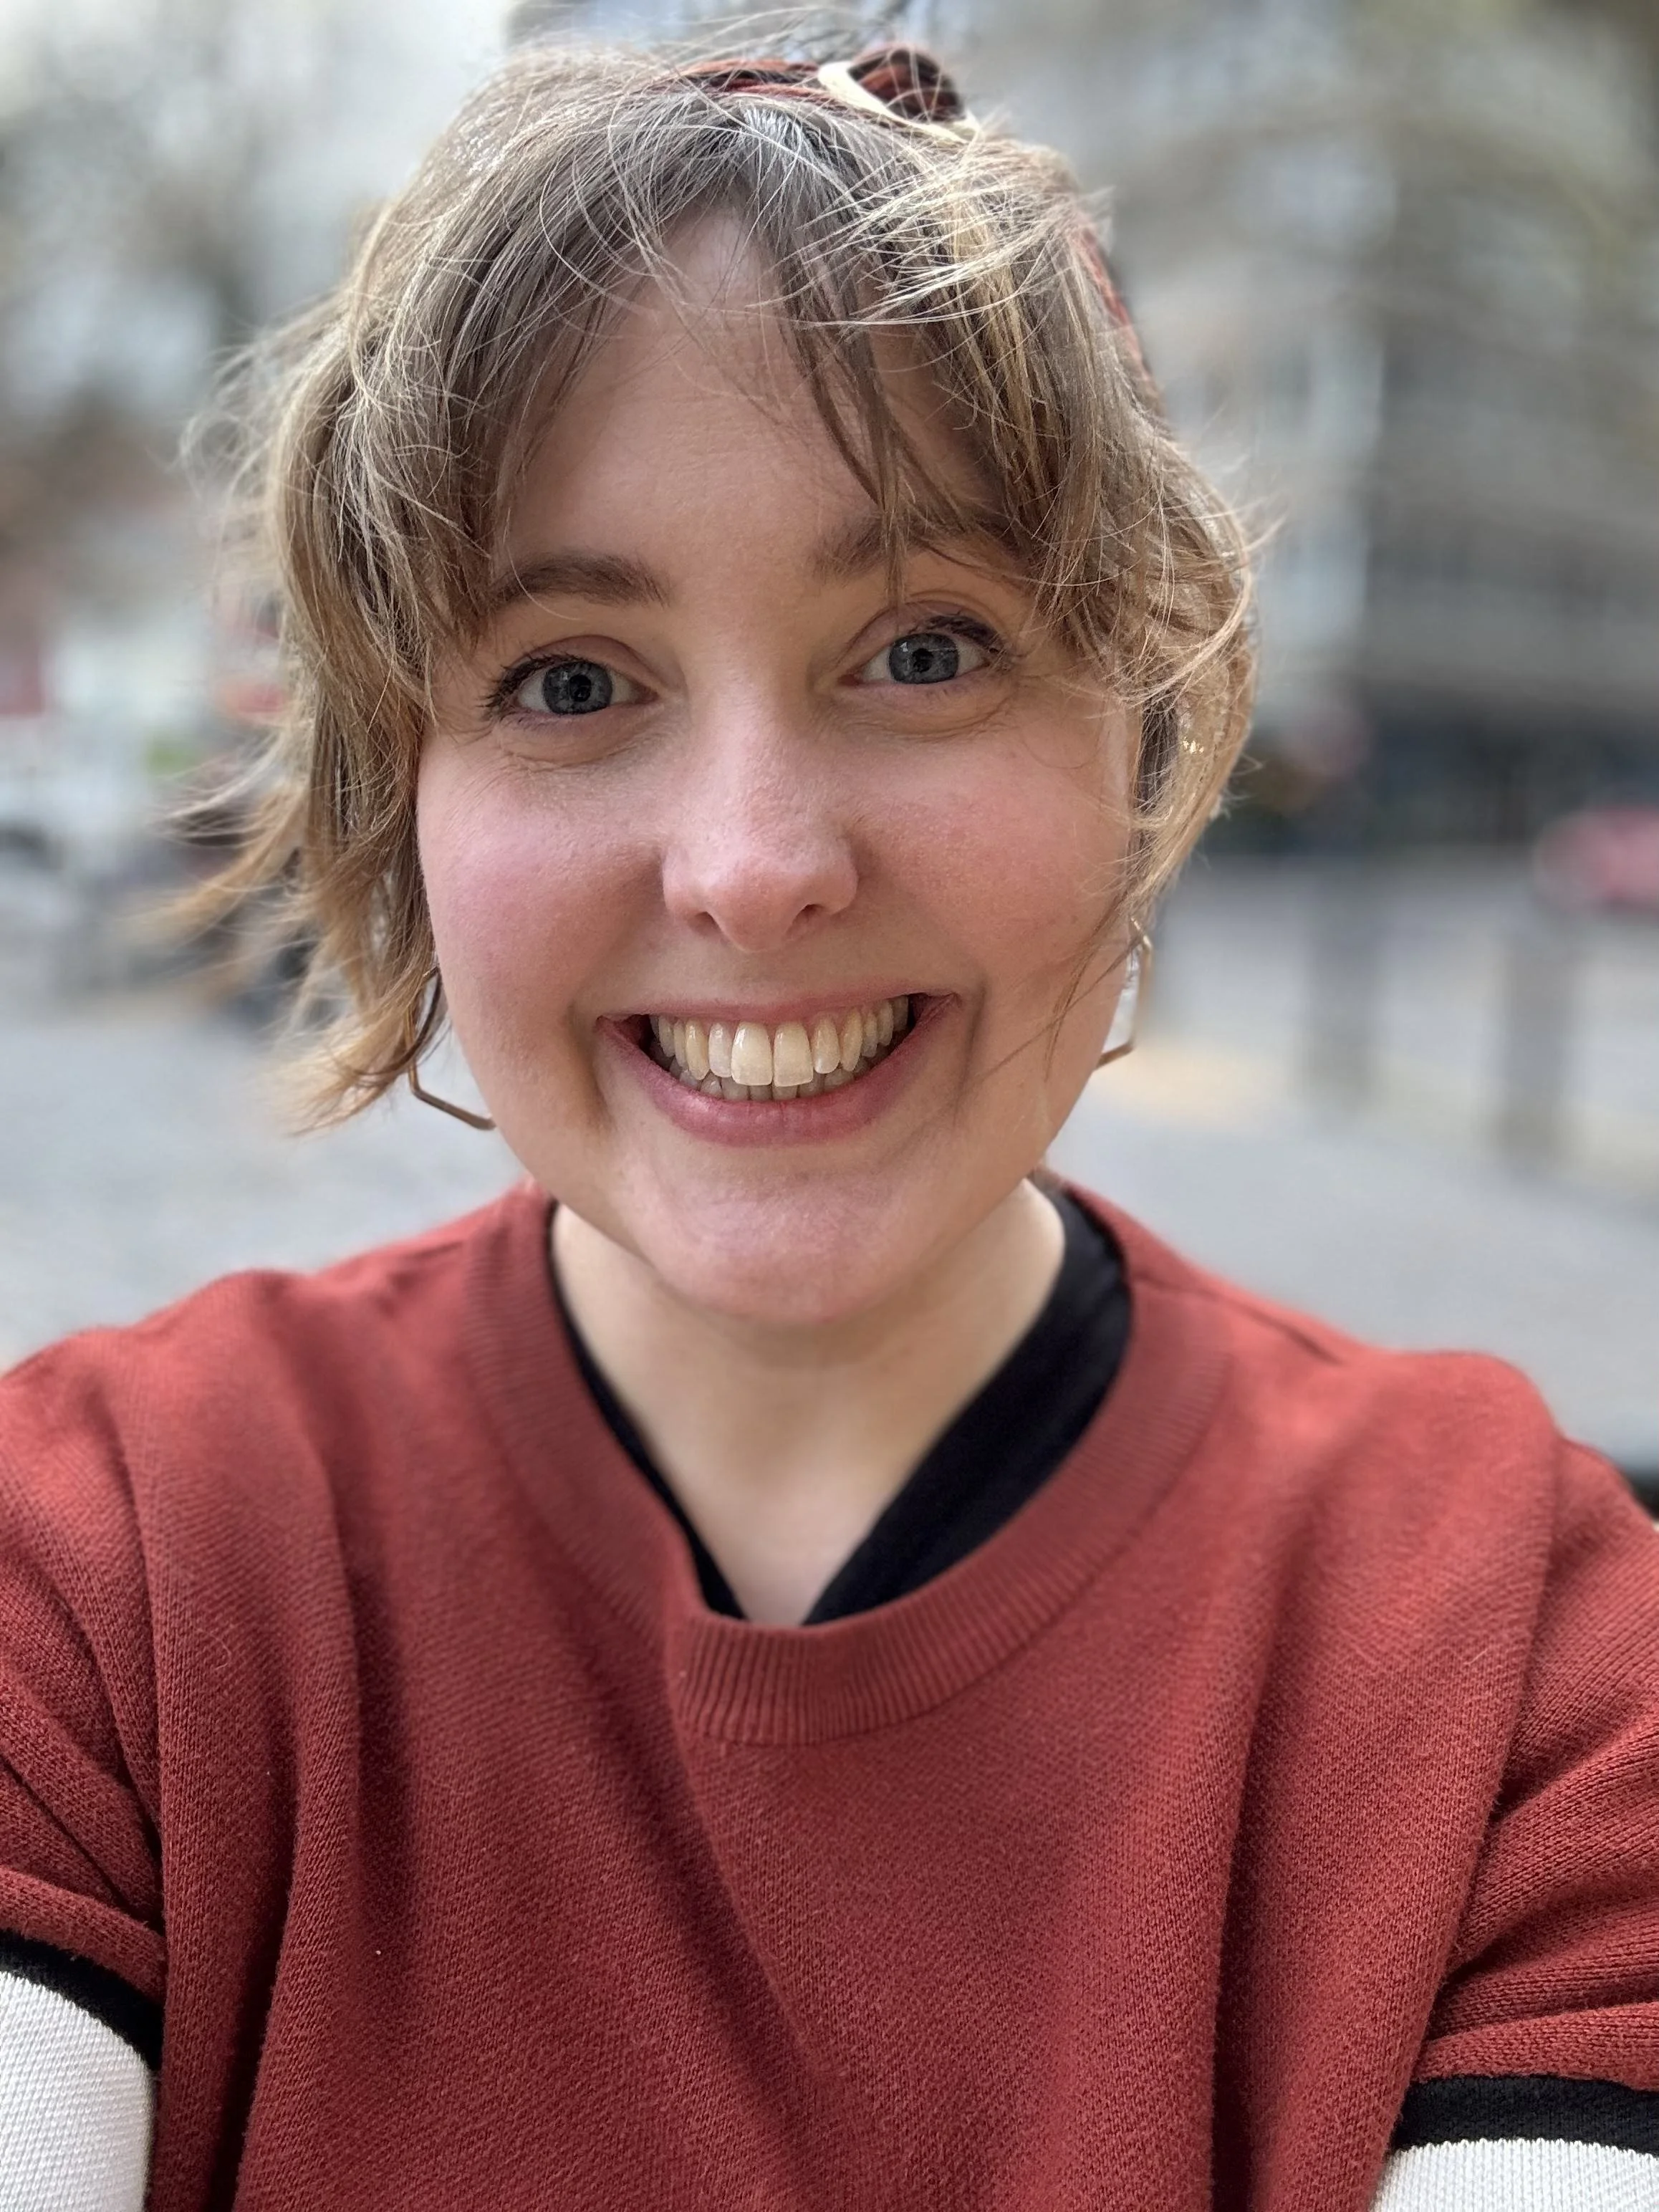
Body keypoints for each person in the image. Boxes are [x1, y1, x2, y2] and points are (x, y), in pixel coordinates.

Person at [2, 33, 1657, 2212]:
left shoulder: (1521, 1657)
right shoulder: (104, 1577)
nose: (750, 864)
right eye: (570, 681)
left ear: (1144, 747)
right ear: (396, 803)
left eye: (924, 649)